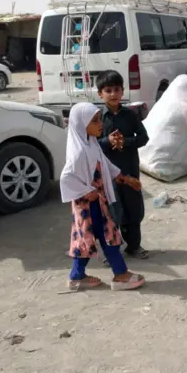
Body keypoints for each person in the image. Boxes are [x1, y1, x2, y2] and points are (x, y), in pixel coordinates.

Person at [60, 102, 146, 291]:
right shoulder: (79, 152)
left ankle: (77, 276)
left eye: (99, 119)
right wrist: (85, 191)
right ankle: (120, 274)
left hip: (97, 203)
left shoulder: (91, 145)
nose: (100, 124)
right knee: (108, 236)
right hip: (88, 206)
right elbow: (66, 178)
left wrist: (125, 179)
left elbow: (106, 166)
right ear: (82, 125)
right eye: (95, 121)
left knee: (90, 237)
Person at [96, 71, 150, 260]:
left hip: (129, 169)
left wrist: (125, 142)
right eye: (108, 90)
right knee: (111, 211)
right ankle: (111, 250)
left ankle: (134, 246)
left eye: (117, 90)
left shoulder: (130, 115)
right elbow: (90, 144)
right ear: (100, 94)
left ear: (123, 91)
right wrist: (107, 141)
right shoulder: (98, 118)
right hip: (107, 174)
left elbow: (144, 138)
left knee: (133, 208)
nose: (113, 94)